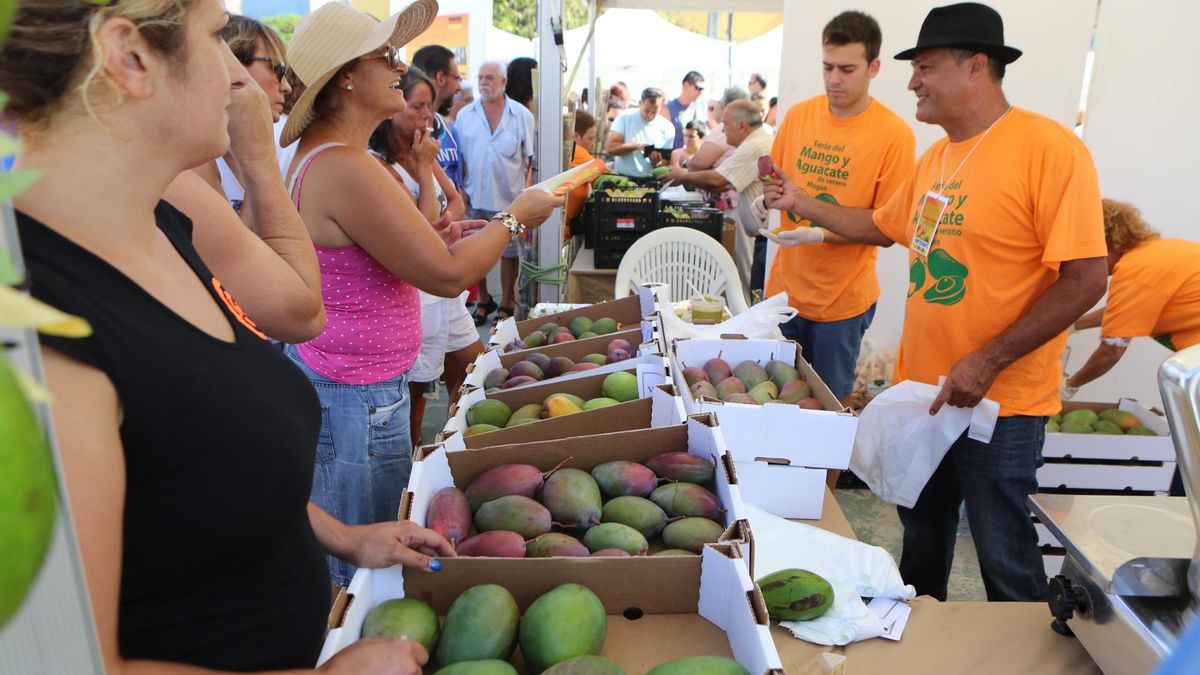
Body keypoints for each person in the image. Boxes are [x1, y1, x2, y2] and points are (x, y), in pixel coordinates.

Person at [2, 1, 455, 672]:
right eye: (217, 37)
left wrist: (349, 537)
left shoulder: (162, 222)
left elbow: (206, 468)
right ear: (129, 57)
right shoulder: (37, 317)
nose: (244, 79)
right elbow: (65, 661)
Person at [763, 2, 1108, 603]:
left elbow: (1084, 278)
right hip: (926, 392)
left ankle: (1024, 658)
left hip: (1000, 402)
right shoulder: (938, 157)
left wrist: (987, 359)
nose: (912, 81)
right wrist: (802, 200)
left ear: (976, 66)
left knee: (1003, 552)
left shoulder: (1048, 150)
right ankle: (925, 647)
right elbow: (878, 224)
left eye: (924, 67)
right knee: (922, 537)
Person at [281, 4, 560, 587]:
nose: (400, 65)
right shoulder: (347, 166)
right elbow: (446, 277)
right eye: (384, 56)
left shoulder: (338, 160)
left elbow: (392, 254)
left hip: (352, 389)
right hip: (353, 397)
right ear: (345, 76)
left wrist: (439, 235)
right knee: (360, 570)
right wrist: (514, 217)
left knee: (365, 550)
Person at [761, 10, 915, 456]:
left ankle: (823, 494)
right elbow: (780, 183)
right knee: (775, 399)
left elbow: (888, 229)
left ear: (875, 68)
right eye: (827, 67)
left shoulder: (893, 135)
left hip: (841, 303)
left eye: (847, 69)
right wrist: (765, 200)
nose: (834, 80)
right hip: (785, 293)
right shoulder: (800, 116)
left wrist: (819, 233)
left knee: (830, 410)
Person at [163, 14, 327, 344]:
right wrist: (258, 161)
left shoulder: (270, 144)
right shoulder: (188, 165)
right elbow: (302, 311)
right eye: (278, 69)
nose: (286, 85)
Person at [368, 67, 484, 445]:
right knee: (416, 389)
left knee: (473, 367)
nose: (427, 115)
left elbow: (455, 201)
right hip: (415, 293)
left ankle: (462, 442)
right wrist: (422, 167)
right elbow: (420, 231)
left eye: (431, 106)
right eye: (417, 106)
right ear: (392, 107)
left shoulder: (422, 151)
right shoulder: (380, 164)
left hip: (443, 291)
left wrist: (446, 223)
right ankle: (412, 461)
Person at [1064, 199, 1200, 395]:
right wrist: (1076, 325)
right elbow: (1125, 312)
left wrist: (1069, 386)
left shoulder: (1135, 271)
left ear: (1103, 241)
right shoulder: (1155, 254)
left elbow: (1111, 351)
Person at [662, 100, 774, 303]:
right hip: (762, 237)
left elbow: (719, 180)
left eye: (725, 124)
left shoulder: (754, 145)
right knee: (753, 284)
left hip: (765, 237)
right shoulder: (755, 141)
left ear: (741, 125)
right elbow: (721, 184)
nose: (722, 131)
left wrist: (683, 176)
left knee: (754, 287)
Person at [456, 60, 537, 325]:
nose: (483, 82)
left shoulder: (521, 115)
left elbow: (529, 159)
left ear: (503, 82)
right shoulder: (465, 114)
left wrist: (525, 193)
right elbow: (461, 158)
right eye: (480, 77)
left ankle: (505, 302)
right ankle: (484, 298)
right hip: (474, 194)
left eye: (490, 77)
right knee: (474, 250)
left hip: (509, 198)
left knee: (509, 254)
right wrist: (461, 189)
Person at [412, 44, 466, 191]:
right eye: (457, 79)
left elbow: (458, 187)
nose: (459, 88)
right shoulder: (405, 131)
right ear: (441, 77)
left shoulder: (450, 129)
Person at [607, 87, 675, 178]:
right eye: (647, 111)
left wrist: (656, 162)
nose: (650, 115)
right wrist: (637, 146)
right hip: (622, 178)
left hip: (651, 181)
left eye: (655, 112)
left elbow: (665, 162)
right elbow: (611, 148)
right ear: (640, 103)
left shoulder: (668, 127)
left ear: (661, 107)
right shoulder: (624, 117)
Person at [565, 109, 598, 238]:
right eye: (590, 139)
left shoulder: (567, 152)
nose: (592, 143)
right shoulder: (578, 152)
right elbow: (602, 172)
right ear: (575, 136)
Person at [664, 70, 705, 150]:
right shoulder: (668, 109)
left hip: (694, 159)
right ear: (686, 85)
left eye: (702, 89)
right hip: (674, 158)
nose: (701, 92)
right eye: (698, 88)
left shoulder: (700, 108)